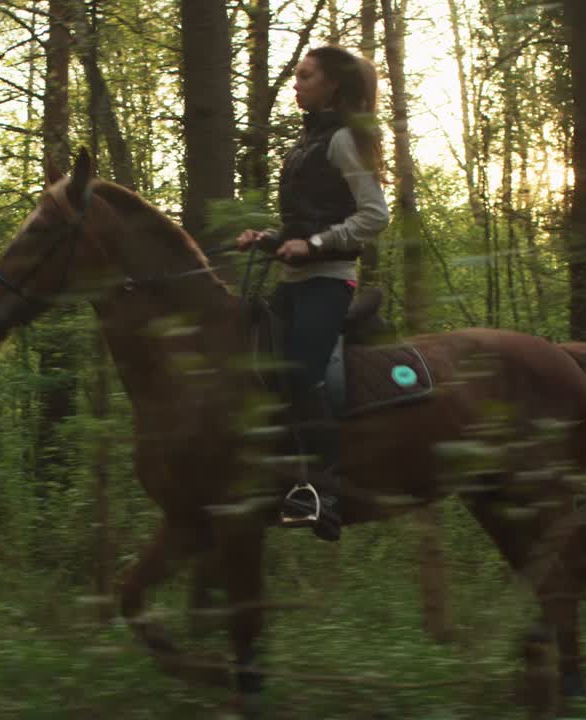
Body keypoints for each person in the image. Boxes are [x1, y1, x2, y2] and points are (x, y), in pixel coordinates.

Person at [236, 45, 389, 541]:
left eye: (305, 76)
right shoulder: (304, 144)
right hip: (294, 282)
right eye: (296, 75)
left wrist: (317, 244)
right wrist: (269, 239)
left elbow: (374, 216)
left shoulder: (345, 140)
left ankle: (325, 494)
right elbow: (304, 222)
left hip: (331, 279)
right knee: (253, 365)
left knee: (301, 373)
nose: (295, 84)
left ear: (333, 86)